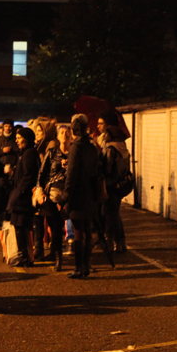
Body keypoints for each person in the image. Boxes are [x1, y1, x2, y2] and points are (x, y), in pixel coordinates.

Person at [65, 114, 102, 278]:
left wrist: (67, 195)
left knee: (78, 230)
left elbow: (71, 174)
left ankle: (80, 267)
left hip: (78, 193)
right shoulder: (92, 147)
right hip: (91, 192)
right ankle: (86, 264)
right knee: (87, 229)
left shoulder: (76, 147)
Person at [35, 125, 70, 270]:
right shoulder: (51, 153)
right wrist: (40, 191)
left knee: (58, 226)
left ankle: (58, 257)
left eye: (67, 133)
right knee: (53, 224)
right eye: (62, 133)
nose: (65, 135)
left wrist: (69, 166)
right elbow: (42, 174)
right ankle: (55, 252)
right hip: (52, 194)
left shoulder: (74, 153)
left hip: (68, 194)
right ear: (57, 136)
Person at [6, 127, 39, 267]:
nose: (17, 141)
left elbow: (28, 175)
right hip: (21, 196)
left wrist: (19, 192)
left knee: (21, 226)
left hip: (22, 198)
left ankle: (24, 257)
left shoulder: (29, 154)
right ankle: (25, 256)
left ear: (26, 139)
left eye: (19, 138)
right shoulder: (25, 153)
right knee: (20, 226)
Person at [101, 124, 130, 253]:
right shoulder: (123, 148)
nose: (104, 136)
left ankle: (109, 242)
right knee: (115, 214)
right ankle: (121, 243)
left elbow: (107, 168)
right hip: (120, 185)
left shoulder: (110, 149)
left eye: (106, 134)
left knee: (108, 215)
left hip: (110, 185)